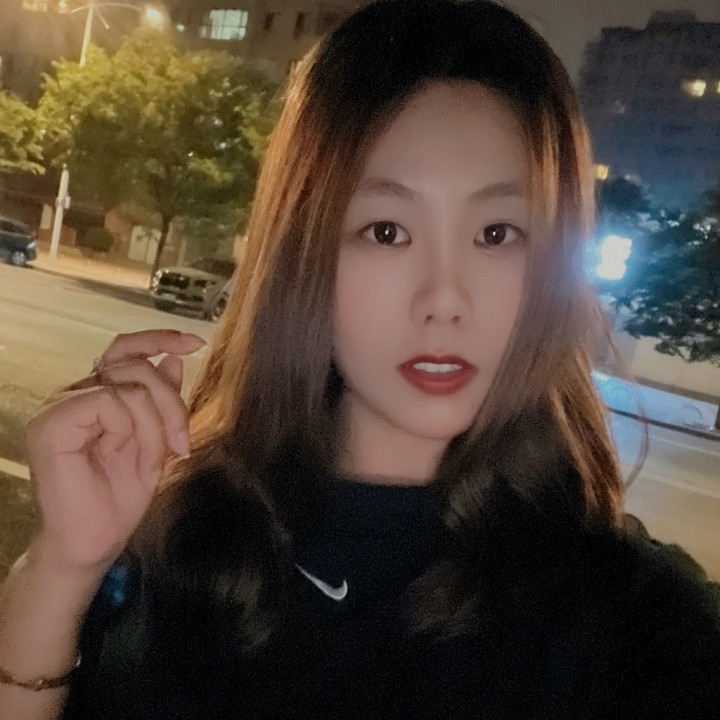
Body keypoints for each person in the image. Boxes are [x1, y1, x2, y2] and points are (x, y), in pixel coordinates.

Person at [1, 1, 719, 717]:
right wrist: (63, 567)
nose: (445, 299)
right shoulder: (177, 525)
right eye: (386, 231)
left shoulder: (628, 621)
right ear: (304, 249)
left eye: (498, 233)